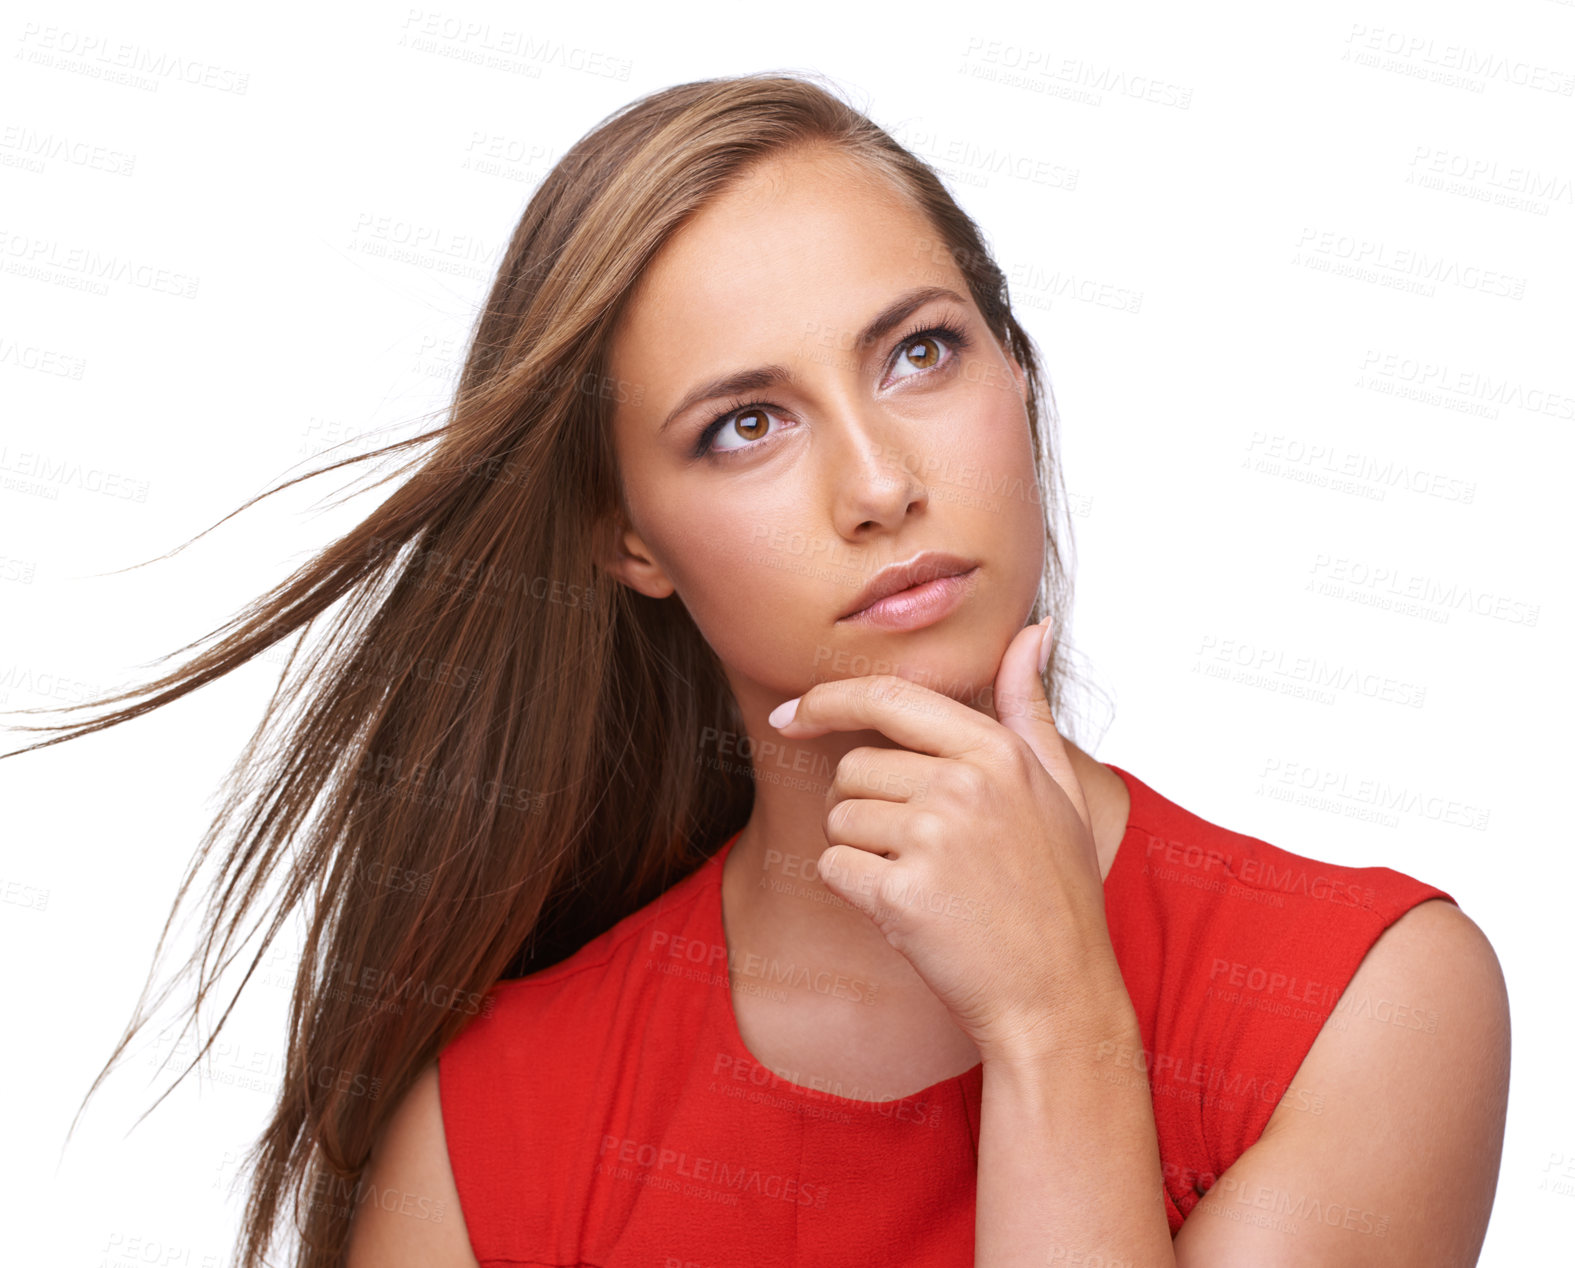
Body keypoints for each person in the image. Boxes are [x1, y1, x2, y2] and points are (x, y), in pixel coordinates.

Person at [8, 73, 1508, 1267]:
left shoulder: (1362, 1005)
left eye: (921, 352)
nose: (877, 482)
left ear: (1017, 370)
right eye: (745, 424)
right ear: (629, 539)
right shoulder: (493, 1129)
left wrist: (1055, 1023)